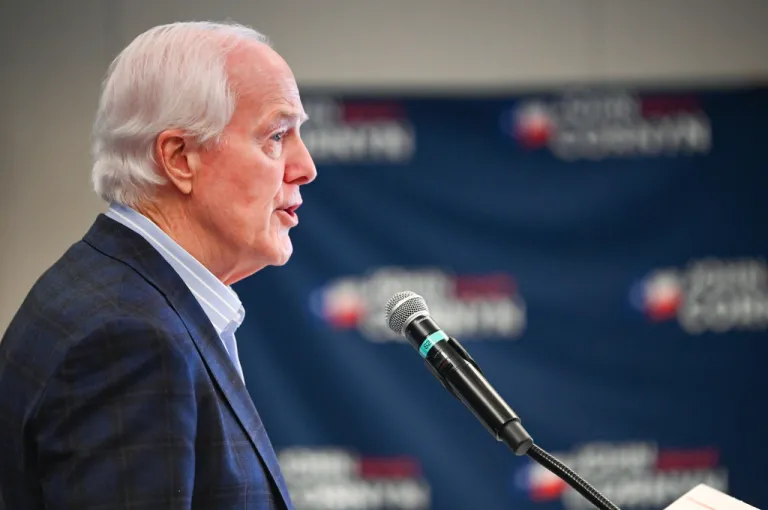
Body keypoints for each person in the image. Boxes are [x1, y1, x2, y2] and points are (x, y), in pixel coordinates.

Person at [0, 20, 317, 510]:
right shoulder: (129, 339)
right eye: (276, 135)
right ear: (180, 158)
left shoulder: (118, 295)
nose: (305, 167)